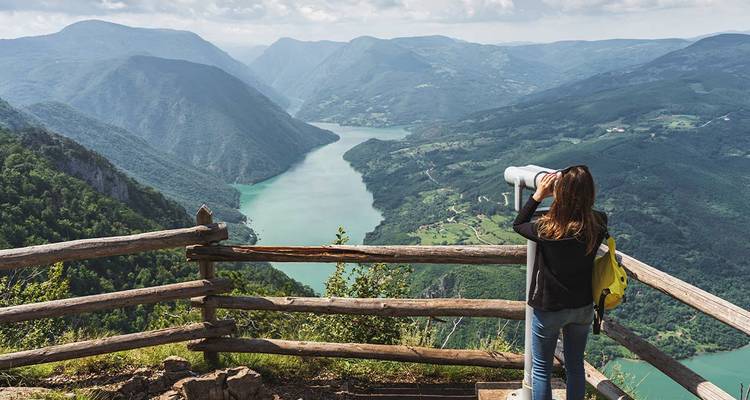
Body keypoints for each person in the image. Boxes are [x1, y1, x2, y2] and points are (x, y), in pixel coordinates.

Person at [512, 165, 608, 400]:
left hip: (550, 308)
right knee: (575, 366)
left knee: (542, 369)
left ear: (561, 192)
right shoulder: (599, 222)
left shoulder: (548, 228)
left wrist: (538, 195)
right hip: (583, 308)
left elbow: (519, 224)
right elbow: (584, 216)